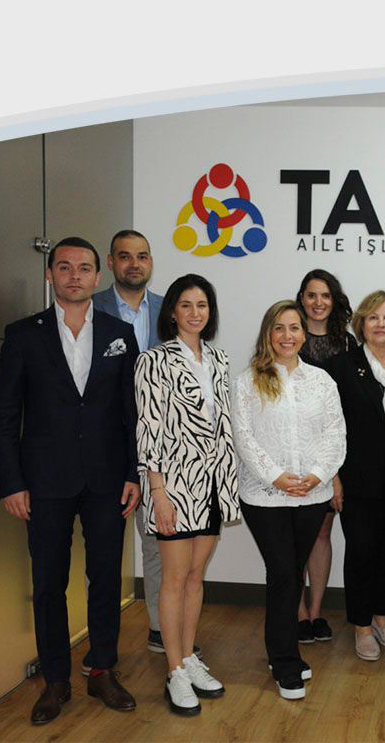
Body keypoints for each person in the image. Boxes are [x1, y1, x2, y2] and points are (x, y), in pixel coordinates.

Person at [0, 237, 140, 725]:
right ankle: (55, 680)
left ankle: (102, 670)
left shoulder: (120, 333)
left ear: (98, 276)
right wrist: (12, 482)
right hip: (43, 482)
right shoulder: (22, 335)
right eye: (65, 267)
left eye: (84, 268)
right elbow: (4, 417)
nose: (75, 275)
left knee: (105, 579)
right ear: (50, 274)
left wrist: (134, 473)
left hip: (107, 480)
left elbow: (132, 413)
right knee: (48, 583)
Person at [134, 275, 241, 716]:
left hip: (212, 485)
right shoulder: (153, 361)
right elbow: (148, 429)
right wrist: (157, 492)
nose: (195, 313)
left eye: (202, 305)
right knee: (174, 579)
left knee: (196, 577)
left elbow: (223, 425)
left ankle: (190, 658)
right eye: (186, 305)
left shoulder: (218, 358)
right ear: (172, 312)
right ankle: (175, 669)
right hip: (174, 487)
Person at [232, 300, 346, 701]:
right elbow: (243, 437)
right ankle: (285, 661)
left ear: (303, 333)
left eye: (294, 328)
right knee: (283, 574)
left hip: (312, 494)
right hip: (264, 496)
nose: (287, 336)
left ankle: (280, 651)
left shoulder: (321, 381)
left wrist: (317, 475)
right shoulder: (248, 381)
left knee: (292, 573)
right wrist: (276, 477)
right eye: (278, 328)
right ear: (268, 333)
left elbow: (336, 434)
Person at [326, 290, 385, 661]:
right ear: (361, 323)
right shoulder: (340, 366)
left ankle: (381, 617)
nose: (381, 324)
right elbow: (328, 427)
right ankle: (361, 625)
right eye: (374, 317)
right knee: (361, 551)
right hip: (357, 478)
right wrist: (333, 476)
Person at [91, 229, 169, 657]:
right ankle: (103, 645)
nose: (134, 264)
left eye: (142, 256)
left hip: (160, 446)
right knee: (104, 551)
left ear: (151, 261)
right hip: (108, 446)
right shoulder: (90, 308)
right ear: (111, 262)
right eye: (125, 256)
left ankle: (160, 626)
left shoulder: (170, 310)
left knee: (158, 542)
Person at [294, 268, 356, 644]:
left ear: (335, 301)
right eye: (312, 295)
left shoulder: (346, 343)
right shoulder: (287, 334)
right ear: (301, 298)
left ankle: (316, 612)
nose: (318, 302)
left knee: (321, 531)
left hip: (331, 451)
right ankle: (297, 612)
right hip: (291, 450)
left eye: (325, 296)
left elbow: (348, 405)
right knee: (295, 535)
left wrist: (334, 466)